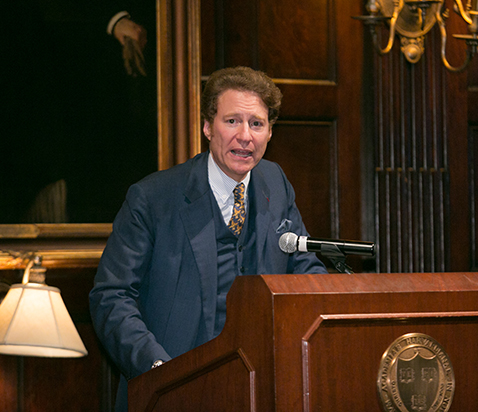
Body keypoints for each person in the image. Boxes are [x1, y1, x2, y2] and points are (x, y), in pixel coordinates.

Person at [89, 66, 327, 411]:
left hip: (259, 392)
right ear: (207, 127)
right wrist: (157, 368)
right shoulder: (152, 198)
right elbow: (111, 297)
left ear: (270, 133)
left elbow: (304, 269)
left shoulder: (276, 183)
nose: (245, 136)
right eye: (232, 121)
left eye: (256, 124)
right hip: (171, 393)